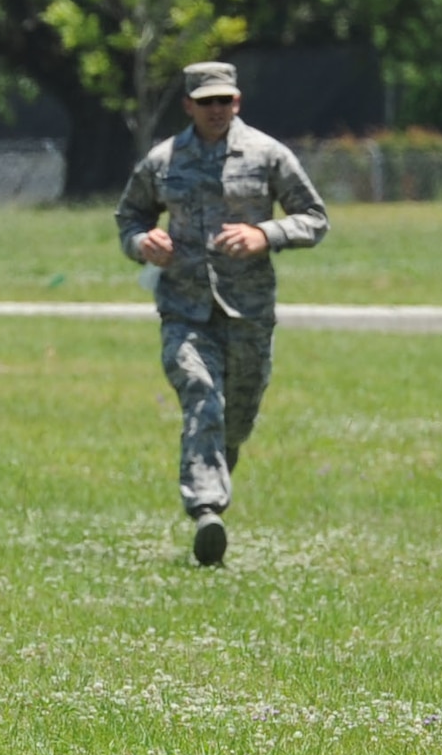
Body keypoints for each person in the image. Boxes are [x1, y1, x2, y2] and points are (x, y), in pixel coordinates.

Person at [115, 60, 330, 566]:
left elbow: (315, 218)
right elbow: (131, 216)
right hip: (184, 308)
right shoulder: (163, 160)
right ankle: (206, 509)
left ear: (238, 102)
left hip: (249, 311)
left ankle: (216, 470)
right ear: (188, 104)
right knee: (201, 394)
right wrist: (143, 242)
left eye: (225, 101)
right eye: (207, 101)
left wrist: (266, 234)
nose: (217, 110)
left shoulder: (267, 154)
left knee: (236, 417)